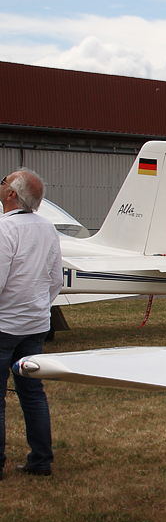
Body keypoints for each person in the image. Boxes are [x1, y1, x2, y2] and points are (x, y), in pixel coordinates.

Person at [0, 168, 63, 478]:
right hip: (35, 324)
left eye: (4, 181)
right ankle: (41, 460)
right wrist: (37, 309)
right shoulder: (47, 229)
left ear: (12, 194)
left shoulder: (4, 229)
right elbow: (55, 280)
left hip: (4, 325)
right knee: (33, 394)